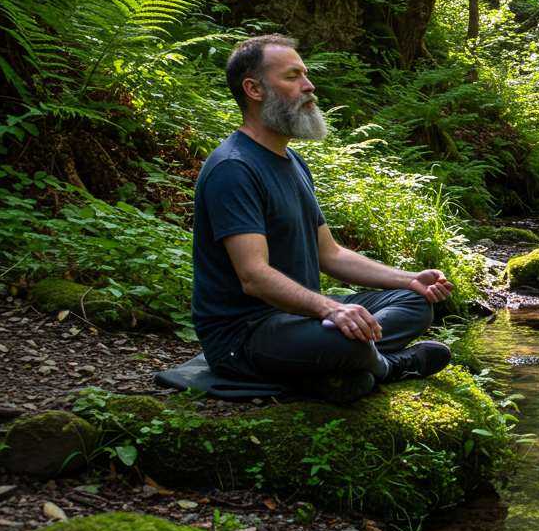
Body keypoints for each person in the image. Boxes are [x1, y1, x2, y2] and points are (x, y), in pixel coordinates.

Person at [191, 34, 454, 405]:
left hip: (299, 316)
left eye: (306, 74)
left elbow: (329, 254)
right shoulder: (234, 167)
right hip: (245, 334)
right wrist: (331, 308)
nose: (309, 85)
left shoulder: (292, 160)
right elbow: (252, 276)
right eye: (292, 76)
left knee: (414, 304)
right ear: (254, 89)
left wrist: (409, 279)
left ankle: (329, 371)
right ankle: (391, 367)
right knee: (344, 340)